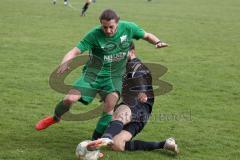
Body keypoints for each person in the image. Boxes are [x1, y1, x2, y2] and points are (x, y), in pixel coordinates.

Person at [35, 9, 168, 140]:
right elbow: (75, 51)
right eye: (105, 27)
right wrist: (64, 63)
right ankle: (55, 118)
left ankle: (95, 143)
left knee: (109, 106)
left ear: (118, 23)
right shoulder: (94, 35)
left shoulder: (128, 28)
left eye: (111, 27)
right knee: (69, 99)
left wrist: (157, 42)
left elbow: (147, 35)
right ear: (101, 24)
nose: (108, 31)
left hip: (114, 77)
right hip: (92, 74)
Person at [87, 42, 178, 154]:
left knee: (120, 114)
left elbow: (140, 79)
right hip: (142, 112)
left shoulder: (137, 66)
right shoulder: (120, 67)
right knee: (118, 145)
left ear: (132, 52)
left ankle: (104, 138)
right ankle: (164, 144)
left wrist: (142, 92)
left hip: (138, 105)